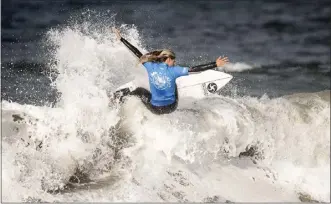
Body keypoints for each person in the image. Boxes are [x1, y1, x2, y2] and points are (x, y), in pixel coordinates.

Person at [112, 27, 229, 115]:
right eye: (174, 60)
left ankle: (119, 97)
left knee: (139, 91)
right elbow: (195, 69)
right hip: (171, 107)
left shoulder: (149, 66)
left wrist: (121, 39)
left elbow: (137, 53)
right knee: (174, 82)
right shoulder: (175, 70)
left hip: (154, 109)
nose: (175, 63)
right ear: (168, 59)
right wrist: (215, 64)